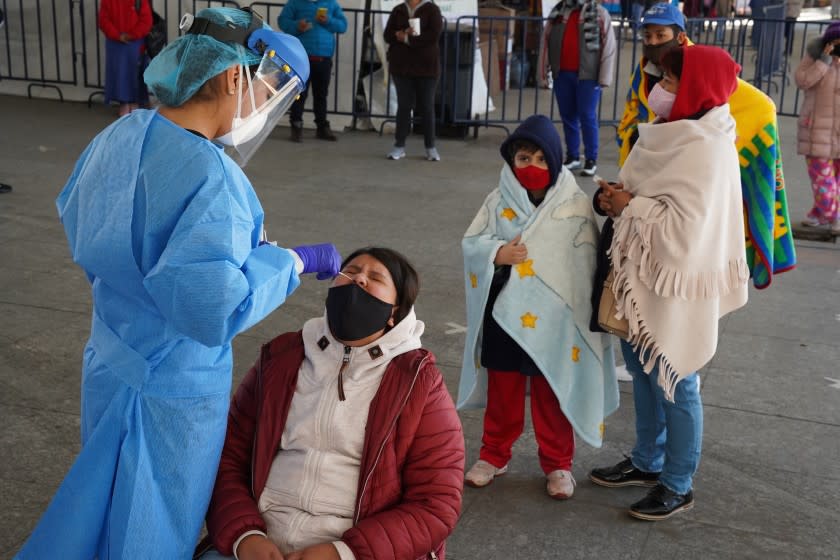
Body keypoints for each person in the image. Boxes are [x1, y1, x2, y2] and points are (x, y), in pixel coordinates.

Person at [15, 8, 343, 559]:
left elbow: (86, 222)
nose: (266, 109)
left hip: (111, 357)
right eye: (270, 90)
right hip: (171, 387)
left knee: (98, 504)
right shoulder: (214, 179)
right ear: (236, 77)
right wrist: (289, 262)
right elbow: (210, 309)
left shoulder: (122, 134)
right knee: (149, 523)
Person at [195, 247, 465, 560]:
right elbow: (228, 458)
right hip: (262, 539)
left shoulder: (418, 383)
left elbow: (435, 503)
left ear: (395, 312)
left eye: (375, 277)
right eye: (350, 272)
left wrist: (343, 553)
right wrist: (245, 536)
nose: (359, 279)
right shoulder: (281, 358)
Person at [589, 45, 750, 521]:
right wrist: (613, 199)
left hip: (678, 279)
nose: (661, 89)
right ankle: (646, 460)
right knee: (643, 369)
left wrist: (629, 206)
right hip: (643, 274)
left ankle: (678, 483)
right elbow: (644, 188)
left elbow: (687, 227)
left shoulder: (707, 145)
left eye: (673, 80)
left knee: (678, 379)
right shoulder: (667, 131)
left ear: (697, 86)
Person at [458, 115, 618, 499]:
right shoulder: (497, 201)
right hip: (505, 318)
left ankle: (558, 463)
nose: (532, 168)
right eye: (524, 159)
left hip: (556, 322)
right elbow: (472, 241)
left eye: (541, 159)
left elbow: (583, 264)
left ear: (556, 161)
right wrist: (498, 252)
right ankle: (494, 454)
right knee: (503, 392)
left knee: (553, 393)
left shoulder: (575, 204)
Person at [615, 2, 796, 289]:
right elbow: (634, 111)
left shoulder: (699, 74)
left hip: (680, 256)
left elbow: (684, 220)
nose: (652, 43)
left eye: (660, 35)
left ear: (679, 35)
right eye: (647, 37)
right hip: (651, 198)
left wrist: (633, 206)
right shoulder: (644, 69)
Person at [538, 0, 617, 177]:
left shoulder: (600, 14)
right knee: (568, 116)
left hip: (588, 76)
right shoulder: (557, 13)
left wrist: (604, 76)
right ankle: (573, 156)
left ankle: (591, 158)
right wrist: (542, 73)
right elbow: (545, 42)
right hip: (562, 74)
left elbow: (609, 47)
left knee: (587, 116)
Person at [279, 0, 348, 142]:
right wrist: (297, 26)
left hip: (323, 58)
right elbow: (283, 22)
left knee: (321, 94)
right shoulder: (295, 3)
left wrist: (328, 20)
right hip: (300, 58)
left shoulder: (331, 4)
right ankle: (296, 125)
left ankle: (321, 127)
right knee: (299, 94)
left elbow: (343, 26)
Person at [383, 0, 443, 161]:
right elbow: (387, 35)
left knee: (426, 106)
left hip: (427, 68)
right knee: (404, 106)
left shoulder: (432, 10)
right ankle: (399, 146)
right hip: (401, 67)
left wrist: (407, 39)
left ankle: (430, 147)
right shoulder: (398, 10)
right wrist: (399, 34)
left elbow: (433, 36)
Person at [794, 22, 840, 234]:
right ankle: (833, 216)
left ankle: (820, 214)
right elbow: (802, 80)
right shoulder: (816, 57)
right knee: (822, 179)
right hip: (816, 131)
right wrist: (824, 60)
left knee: (835, 181)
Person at [99, 0, 152, 116]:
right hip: (134, 42)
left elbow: (103, 20)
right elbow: (146, 21)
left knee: (119, 74)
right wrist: (132, 35)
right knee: (134, 73)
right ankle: (135, 103)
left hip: (116, 43)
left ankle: (124, 104)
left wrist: (118, 36)